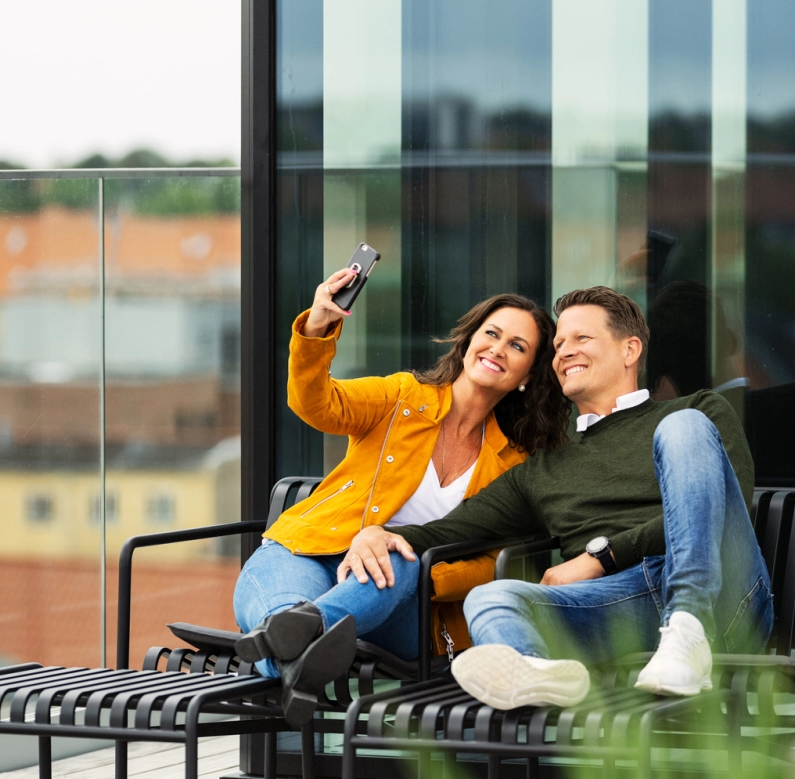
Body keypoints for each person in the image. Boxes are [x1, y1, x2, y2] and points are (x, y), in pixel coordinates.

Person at [339, 286, 774, 710]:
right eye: (559, 344)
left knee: (684, 428)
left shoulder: (696, 412)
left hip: (724, 594)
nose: (564, 351)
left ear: (630, 350)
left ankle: (689, 626)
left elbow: (721, 506)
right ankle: (537, 672)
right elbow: (450, 530)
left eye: (582, 338)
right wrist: (374, 534)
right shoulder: (543, 469)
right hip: (624, 607)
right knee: (491, 597)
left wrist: (600, 557)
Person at [232, 265, 569, 724]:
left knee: (403, 555)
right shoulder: (402, 398)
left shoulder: (512, 463)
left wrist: (427, 572)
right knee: (284, 613)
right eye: (491, 333)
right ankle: (299, 655)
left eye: (517, 346)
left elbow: (493, 563)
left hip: (404, 601)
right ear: (469, 341)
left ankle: (300, 633)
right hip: (309, 552)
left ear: (528, 374)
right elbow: (317, 403)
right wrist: (317, 327)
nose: (498, 348)